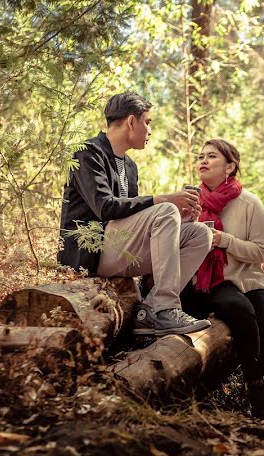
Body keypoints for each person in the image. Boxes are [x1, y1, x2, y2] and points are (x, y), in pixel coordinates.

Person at [58, 92, 213, 335]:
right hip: (91, 252)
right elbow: (105, 208)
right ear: (132, 121)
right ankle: (165, 309)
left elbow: (129, 217)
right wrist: (162, 202)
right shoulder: (88, 152)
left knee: (200, 233)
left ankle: (150, 310)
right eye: (147, 122)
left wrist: (177, 219)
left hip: (119, 250)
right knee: (164, 210)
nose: (150, 131)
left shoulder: (129, 166)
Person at [180, 139, 264, 420]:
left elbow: (261, 251)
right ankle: (257, 396)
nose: (203, 160)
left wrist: (225, 241)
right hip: (214, 285)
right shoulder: (190, 202)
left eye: (211, 156)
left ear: (230, 166)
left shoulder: (249, 202)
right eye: (200, 156)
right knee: (244, 320)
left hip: (251, 282)